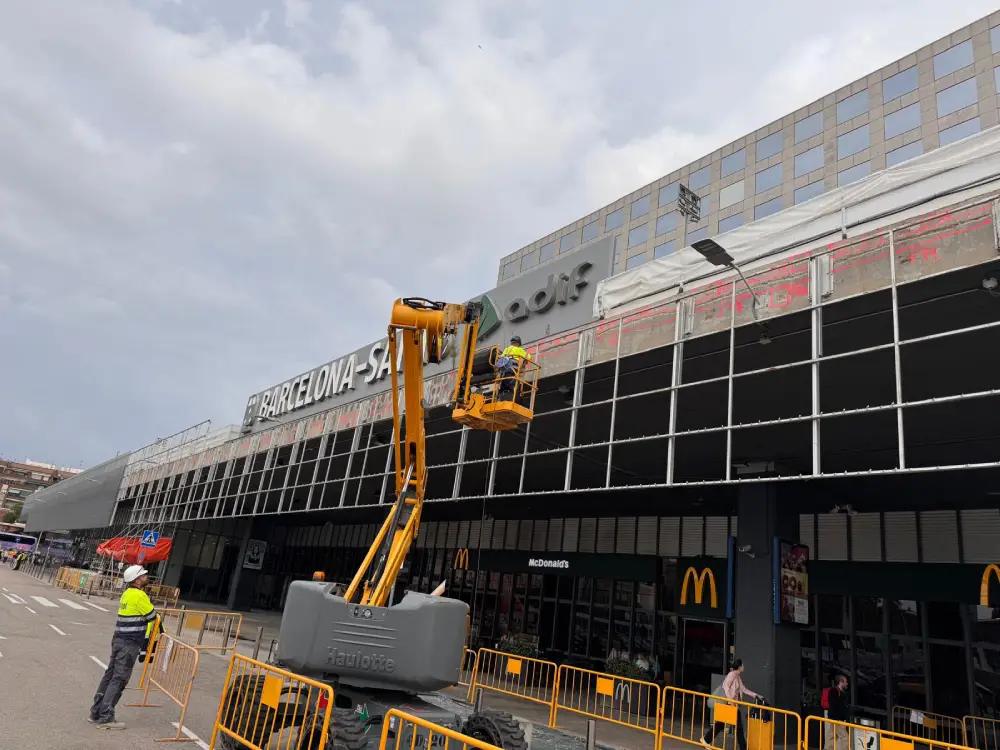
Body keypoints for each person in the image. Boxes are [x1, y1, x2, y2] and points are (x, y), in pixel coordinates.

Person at [89, 564, 157, 729]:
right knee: (119, 678)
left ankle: (96, 711)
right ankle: (106, 716)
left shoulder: (126, 594)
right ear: (137, 579)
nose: (146, 577)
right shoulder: (139, 595)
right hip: (129, 642)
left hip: (118, 639)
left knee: (109, 675)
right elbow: (152, 616)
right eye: (144, 575)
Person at [702, 658, 760, 750]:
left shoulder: (737, 677)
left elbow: (744, 689)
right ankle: (743, 748)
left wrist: (755, 695)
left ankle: (706, 739)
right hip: (730, 704)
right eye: (743, 665)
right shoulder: (732, 674)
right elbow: (726, 687)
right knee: (738, 727)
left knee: (721, 724)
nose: (744, 667)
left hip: (732, 704)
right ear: (739, 666)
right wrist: (730, 701)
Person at [496, 335, 531, 401]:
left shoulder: (507, 349)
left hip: (504, 371)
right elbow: (528, 357)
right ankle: (514, 398)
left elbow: (501, 357)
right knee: (512, 385)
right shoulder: (520, 350)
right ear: (518, 343)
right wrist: (525, 360)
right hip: (513, 370)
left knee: (503, 385)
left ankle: (500, 398)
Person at [823, 673, 851, 750]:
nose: (847, 683)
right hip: (837, 719)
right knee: (844, 737)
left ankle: (827, 749)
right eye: (845, 682)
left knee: (831, 736)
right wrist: (838, 718)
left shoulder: (841, 692)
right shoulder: (834, 691)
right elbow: (834, 705)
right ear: (840, 682)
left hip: (835, 718)